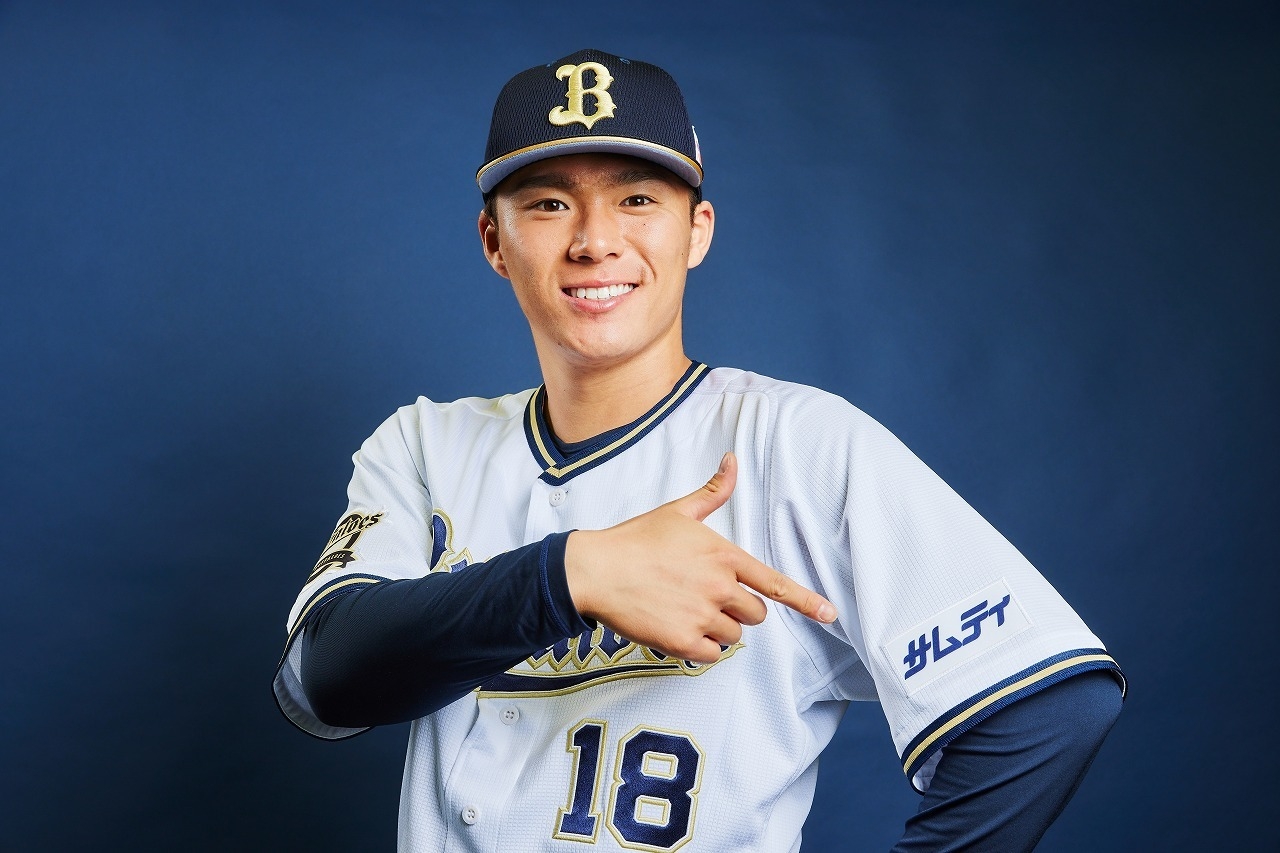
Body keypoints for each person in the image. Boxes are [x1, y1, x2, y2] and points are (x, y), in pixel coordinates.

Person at [274, 48, 1124, 852]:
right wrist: (570, 575)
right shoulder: (425, 443)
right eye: (548, 203)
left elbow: (1050, 706)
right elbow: (325, 677)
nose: (594, 240)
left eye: (638, 199)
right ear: (495, 241)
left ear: (697, 231)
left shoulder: (794, 443)